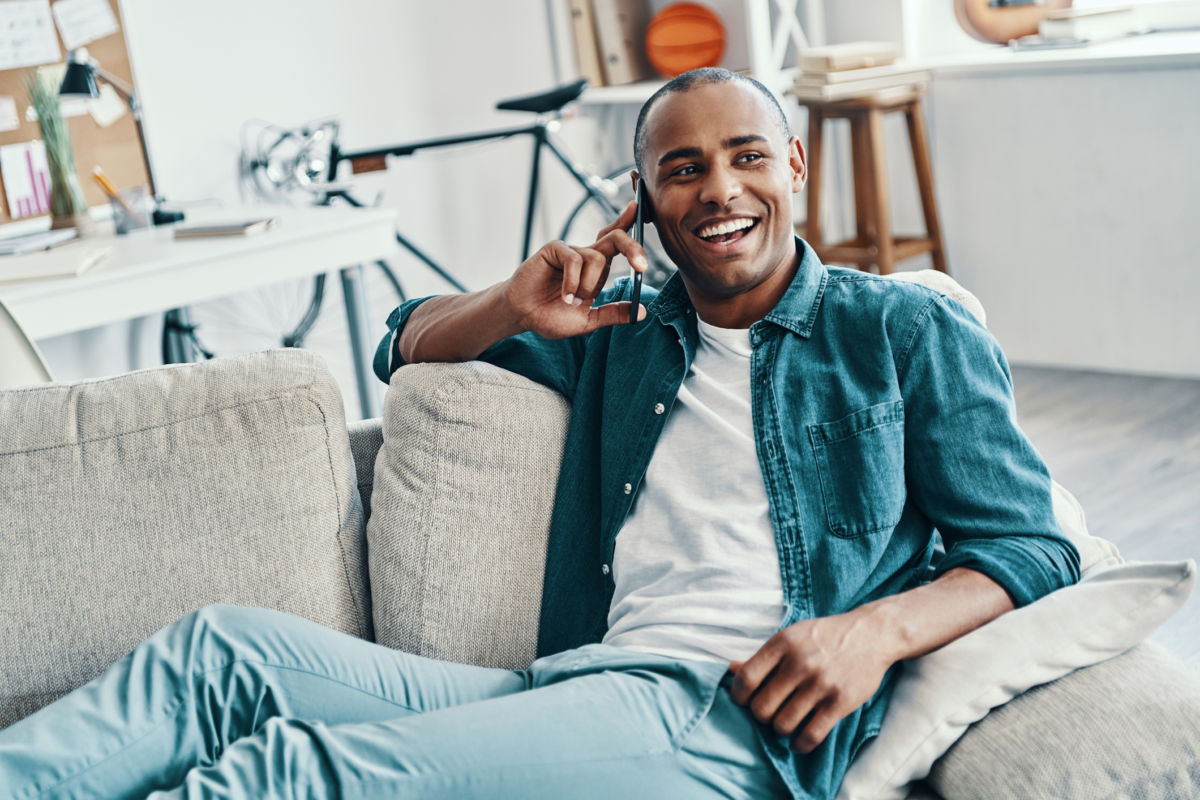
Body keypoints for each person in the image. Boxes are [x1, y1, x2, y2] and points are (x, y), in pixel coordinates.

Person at [0, 68, 1079, 800]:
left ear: (794, 167)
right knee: (217, 654)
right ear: (645, 203)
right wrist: (515, 305)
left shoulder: (901, 328)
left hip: (724, 717)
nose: (720, 189)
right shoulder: (623, 335)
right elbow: (401, 337)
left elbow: (1032, 543)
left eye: (746, 156)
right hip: (581, 683)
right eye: (682, 169)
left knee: (297, 769)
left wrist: (873, 631)